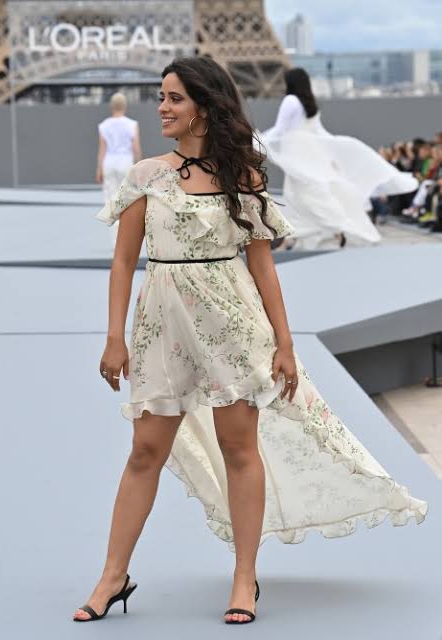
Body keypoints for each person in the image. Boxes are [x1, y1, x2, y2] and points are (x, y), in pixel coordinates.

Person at [73, 56, 428, 625]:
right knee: (144, 452)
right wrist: (113, 338)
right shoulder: (144, 175)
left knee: (240, 449)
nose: (161, 107)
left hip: (233, 327)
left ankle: (244, 577)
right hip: (162, 327)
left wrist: (285, 345)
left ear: (204, 108)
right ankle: (113, 575)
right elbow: (122, 264)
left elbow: (263, 269)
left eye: (174, 98)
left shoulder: (244, 175)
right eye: (161, 97)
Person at [259, 68, 418, 250]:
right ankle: (329, 230)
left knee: (297, 196)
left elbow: (280, 130)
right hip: (309, 155)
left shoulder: (290, 101)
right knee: (310, 195)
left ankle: (311, 233)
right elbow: (319, 132)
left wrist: (258, 140)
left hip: (298, 156)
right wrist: (331, 154)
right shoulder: (310, 104)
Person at [96, 92, 142, 248]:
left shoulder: (104, 125)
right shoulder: (131, 124)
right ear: (125, 106)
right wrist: (139, 164)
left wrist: (99, 168)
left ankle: (114, 240)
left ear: (111, 106)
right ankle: (126, 237)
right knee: (127, 199)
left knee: (110, 199)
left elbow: (102, 149)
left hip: (109, 162)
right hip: (125, 162)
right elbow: (135, 147)